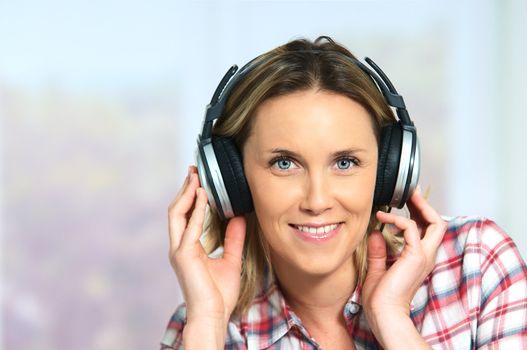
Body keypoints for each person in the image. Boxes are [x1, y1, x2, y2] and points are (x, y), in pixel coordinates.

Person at [160, 36, 527, 349]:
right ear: (232, 178)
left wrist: (392, 320)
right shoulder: (205, 319)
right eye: (284, 163)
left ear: (389, 170)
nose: (317, 201)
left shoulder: (475, 265)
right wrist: (207, 322)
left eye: (346, 162)